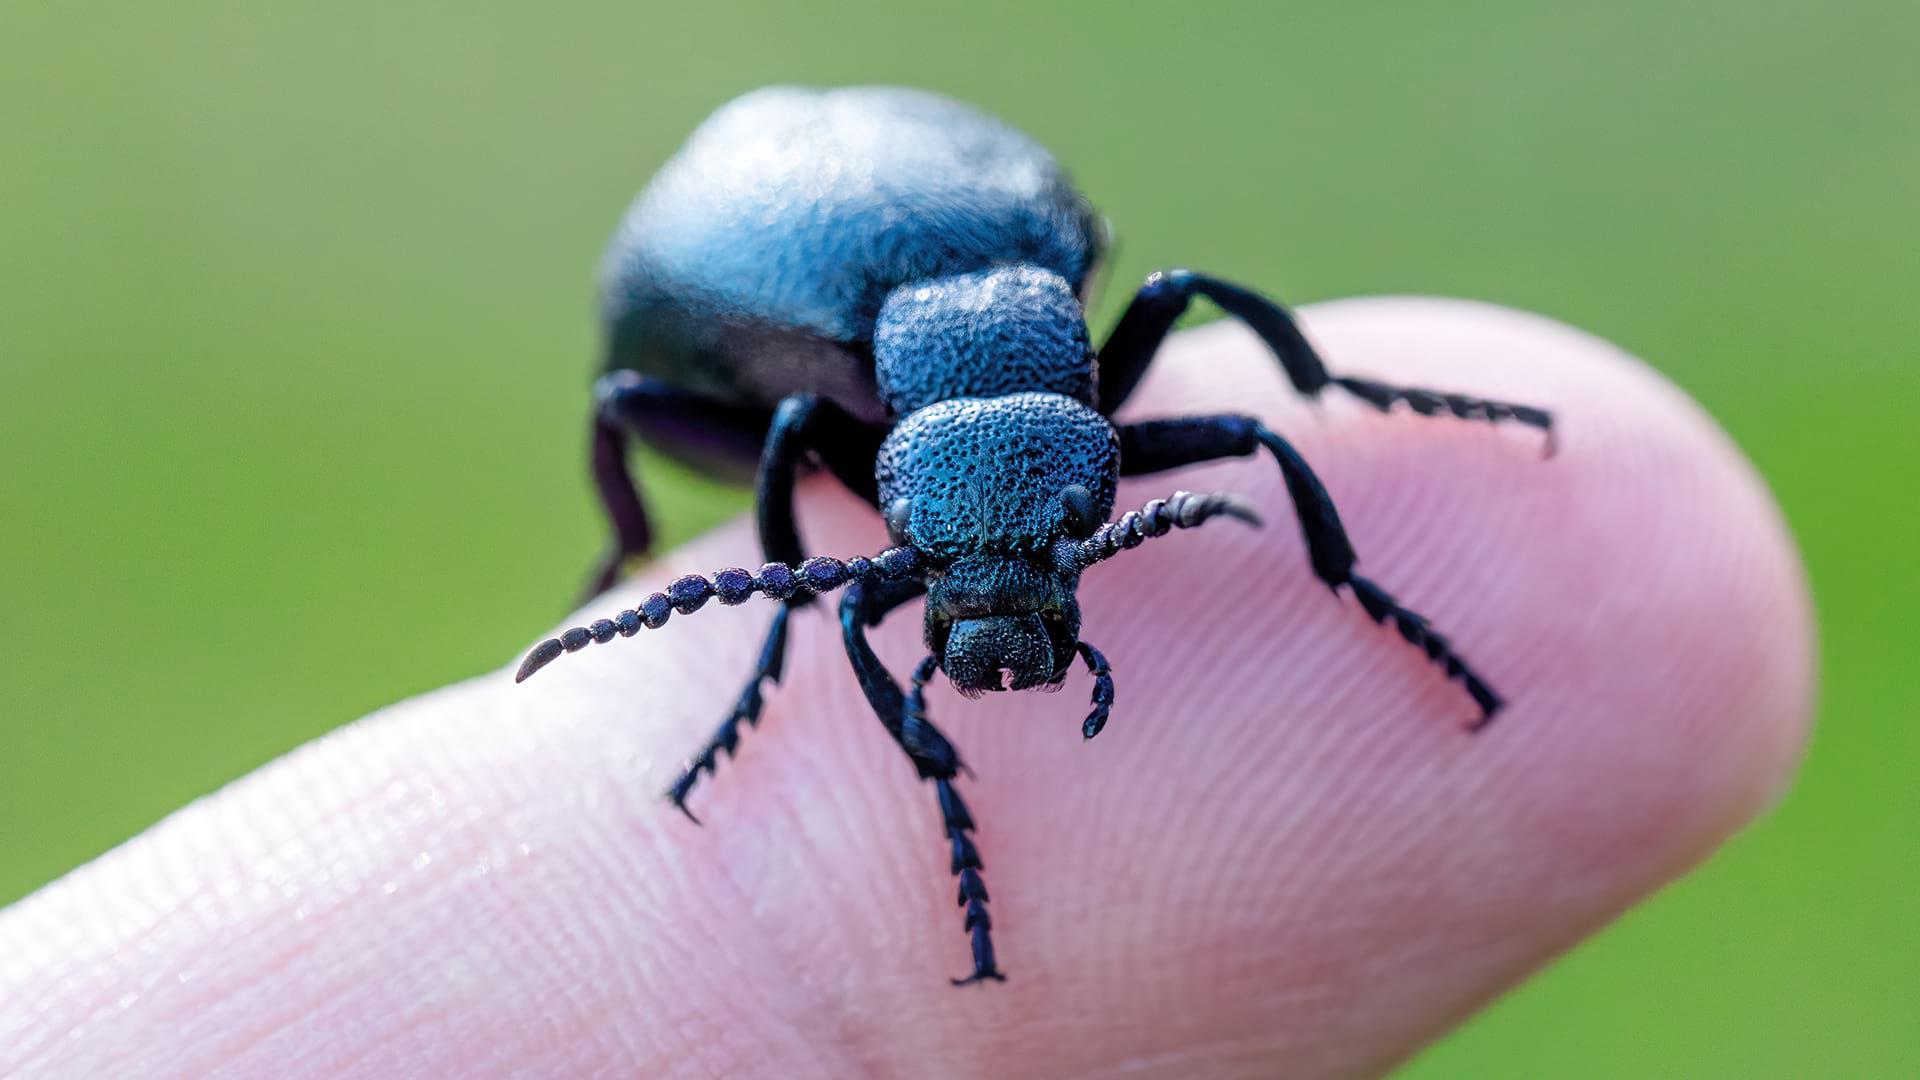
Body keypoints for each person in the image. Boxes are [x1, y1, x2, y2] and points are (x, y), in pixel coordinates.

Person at [0, 299, 1813, 1077]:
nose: (999, 615)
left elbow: (1223, 390)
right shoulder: (828, 432)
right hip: (772, 307)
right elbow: (782, 436)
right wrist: (802, 660)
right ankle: (721, 620)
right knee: (707, 439)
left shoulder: (1036, 380)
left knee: (1254, 419)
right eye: (957, 564)